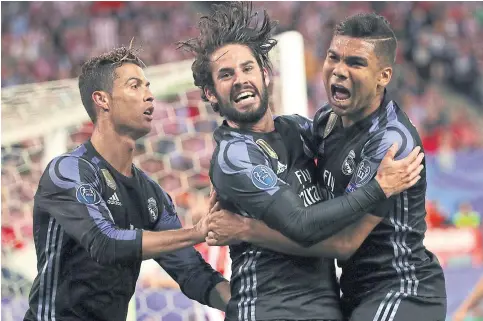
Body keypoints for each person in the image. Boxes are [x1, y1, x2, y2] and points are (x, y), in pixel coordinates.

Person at [179, 3, 424, 321]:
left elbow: (349, 145)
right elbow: (301, 226)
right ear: (211, 94)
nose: (240, 79)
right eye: (226, 75)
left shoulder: (299, 130)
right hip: (269, 310)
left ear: (266, 75)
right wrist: (379, 188)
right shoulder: (234, 157)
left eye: (247, 68)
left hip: (326, 308)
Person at [23, 45, 230, 321]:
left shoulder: (152, 195)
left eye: (148, 86)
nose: (149, 95)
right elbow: (104, 243)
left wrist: (254, 306)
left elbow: (192, 273)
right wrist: (198, 231)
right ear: (102, 100)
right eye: (135, 86)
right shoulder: (68, 171)